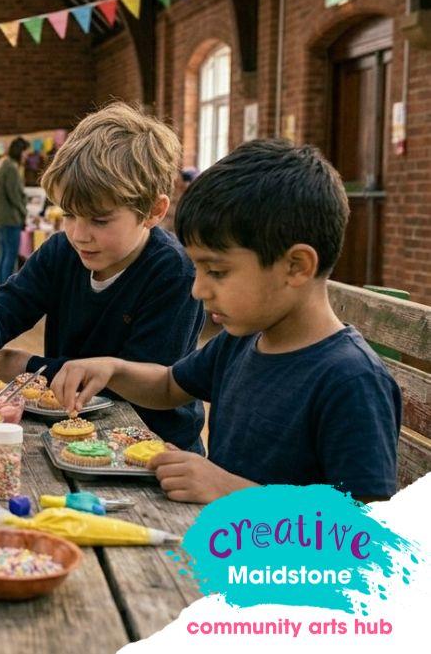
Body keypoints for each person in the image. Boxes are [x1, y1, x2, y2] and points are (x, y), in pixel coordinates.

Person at [51, 139, 401, 503]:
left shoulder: (351, 381)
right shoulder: (243, 340)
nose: (198, 290)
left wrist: (233, 492)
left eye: (216, 271)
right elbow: (171, 385)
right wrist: (114, 369)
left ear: (296, 266)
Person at [0, 103, 205, 452]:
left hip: (155, 447)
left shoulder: (173, 273)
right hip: (72, 433)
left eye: (99, 220)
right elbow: (6, 305)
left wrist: (29, 367)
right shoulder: (61, 250)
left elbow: (141, 383)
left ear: (153, 212)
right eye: (69, 214)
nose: (79, 234)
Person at [0, 137, 28, 285]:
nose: (26, 156)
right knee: (10, 256)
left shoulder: (0, 164)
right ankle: (6, 289)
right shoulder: (11, 168)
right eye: (25, 152)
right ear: (19, 151)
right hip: (11, 218)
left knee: (3, 254)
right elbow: (15, 195)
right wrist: (24, 212)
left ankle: (0, 287)